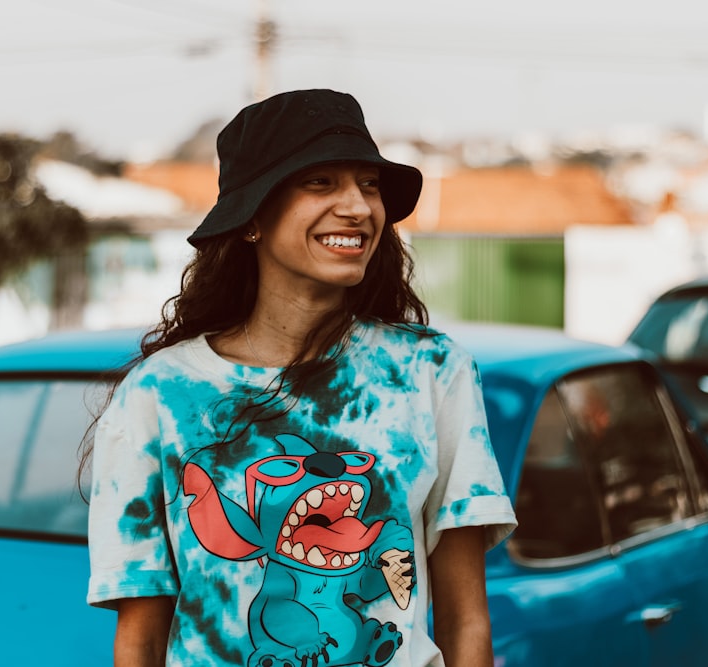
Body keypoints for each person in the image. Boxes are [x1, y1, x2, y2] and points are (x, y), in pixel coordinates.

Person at [84, 89, 517, 667]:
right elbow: (139, 640)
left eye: (368, 184)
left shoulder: (433, 372)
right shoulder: (158, 397)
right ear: (252, 218)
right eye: (320, 182)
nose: (359, 207)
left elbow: (466, 622)